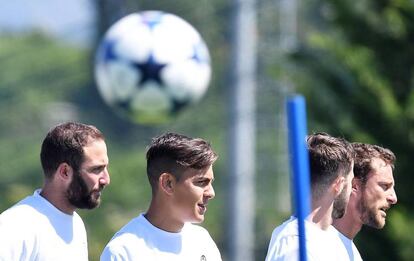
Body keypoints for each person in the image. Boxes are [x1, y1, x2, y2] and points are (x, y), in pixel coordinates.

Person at [100, 132, 222, 261]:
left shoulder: (203, 241)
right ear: (167, 183)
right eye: (201, 182)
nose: (211, 193)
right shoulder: (123, 250)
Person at [0, 122, 110, 261]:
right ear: (65, 172)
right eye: (96, 169)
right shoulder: (16, 226)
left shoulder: (76, 224)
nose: (106, 179)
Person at [265, 132, 355, 261]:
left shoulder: (334, 240)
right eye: (350, 181)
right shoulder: (296, 244)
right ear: (339, 185)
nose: (352, 190)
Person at [332, 143, 398, 260]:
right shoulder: (307, 243)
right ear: (354, 185)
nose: (393, 198)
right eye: (385, 186)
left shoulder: (351, 252)